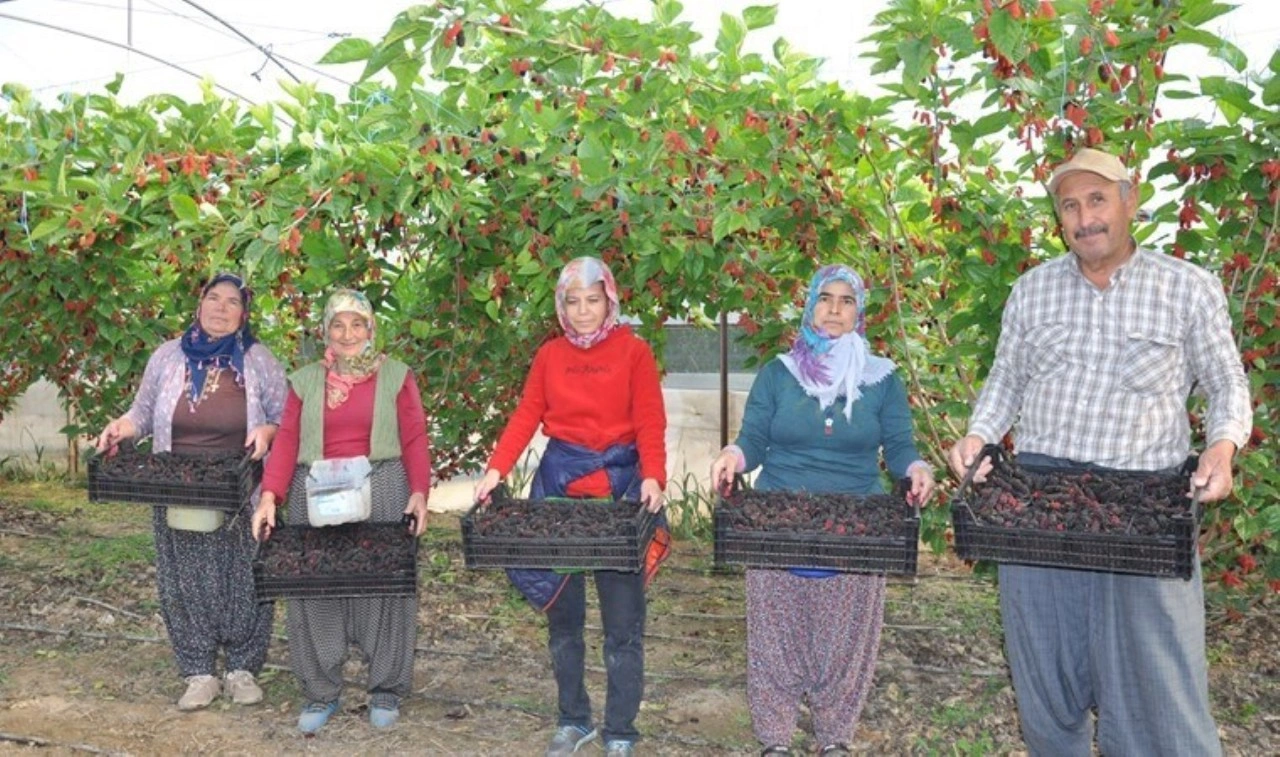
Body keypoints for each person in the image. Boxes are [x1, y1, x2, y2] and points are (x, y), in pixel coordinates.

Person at [946, 148, 1253, 757]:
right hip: (1040, 503)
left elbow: (1226, 383)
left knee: (1160, 684)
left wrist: (1221, 447)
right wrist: (978, 435)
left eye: (1097, 200)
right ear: (1058, 218)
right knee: (1046, 674)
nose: (1085, 218)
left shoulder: (1186, 287)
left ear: (1129, 201)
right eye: (1070, 206)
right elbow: (1005, 380)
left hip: (1144, 507)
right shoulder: (1033, 291)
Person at [709, 264, 935, 757]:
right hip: (778, 518)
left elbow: (899, 446)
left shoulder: (882, 379)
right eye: (825, 299)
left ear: (860, 312)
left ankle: (834, 737)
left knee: (845, 639)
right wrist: (732, 456)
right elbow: (754, 440)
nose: (834, 309)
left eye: (846, 300)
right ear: (810, 306)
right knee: (775, 634)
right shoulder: (779, 373)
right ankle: (775, 737)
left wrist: (917, 468)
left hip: (857, 521)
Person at [472, 256, 669, 757]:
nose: (583, 311)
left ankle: (620, 729)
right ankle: (573, 719)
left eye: (592, 300)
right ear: (561, 305)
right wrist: (495, 470)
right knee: (564, 619)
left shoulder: (634, 352)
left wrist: (654, 475)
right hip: (561, 489)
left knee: (623, 624)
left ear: (610, 300)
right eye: (573, 301)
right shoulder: (550, 356)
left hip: (620, 493)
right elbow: (526, 414)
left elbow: (650, 418)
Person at [95, 273, 287, 711]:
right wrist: (120, 427)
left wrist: (267, 430)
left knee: (245, 575)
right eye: (213, 298)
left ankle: (241, 669)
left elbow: (284, 417)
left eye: (232, 301)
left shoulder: (258, 359)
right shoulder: (168, 356)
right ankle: (199, 671)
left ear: (244, 313)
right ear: (199, 305)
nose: (221, 308)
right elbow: (142, 412)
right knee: (184, 579)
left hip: (239, 486)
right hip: (179, 483)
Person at [250, 288, 430, 733]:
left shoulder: (396, 376)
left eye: (357, 324)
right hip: (317, 490)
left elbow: (413, 436)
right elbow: (287, 440)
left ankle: (385, 689)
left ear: (371, 329)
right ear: (325, 331)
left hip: (381, 485)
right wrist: (270, 496)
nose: (348, 334)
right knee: (314, 588)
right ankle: (320, 691)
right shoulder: (305, 381)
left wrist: (419, 492)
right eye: (338, 325)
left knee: (383, 587)